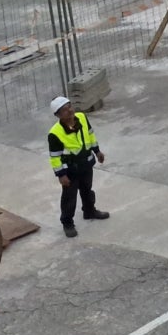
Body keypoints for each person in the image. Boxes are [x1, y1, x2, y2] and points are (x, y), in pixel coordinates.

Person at [47, 95, 111, 237]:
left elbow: (90, 134)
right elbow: (55, 157)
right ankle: (67, 223)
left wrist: (97, 151)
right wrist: (61, 175)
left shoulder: (81, 117)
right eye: (64, 110)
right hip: (70, 171)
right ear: (58, 115)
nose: (69, 111)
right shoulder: (55, 133)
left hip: (86, 164)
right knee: (69, 198)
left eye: (69, 106)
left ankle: (89, 211)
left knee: (87, 190)